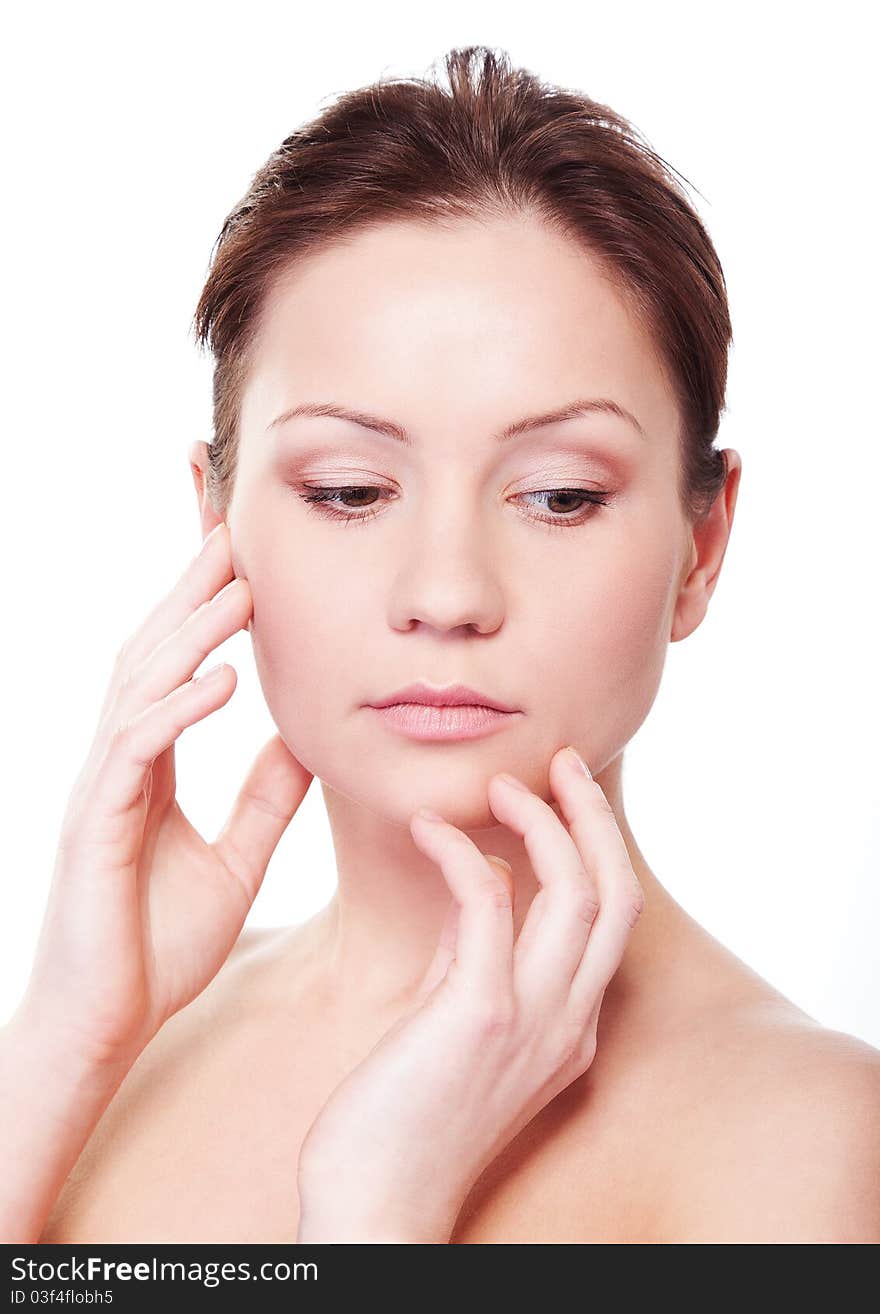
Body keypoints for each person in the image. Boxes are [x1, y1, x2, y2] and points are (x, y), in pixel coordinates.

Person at [2, 45, 878, 1246]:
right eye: (352, 491)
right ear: (216, 522)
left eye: (561, 495)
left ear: (701, 544)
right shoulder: (112, 1048)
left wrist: (380, 1213)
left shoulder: (812, 1142)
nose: (448, 592)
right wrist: (63, 1037)